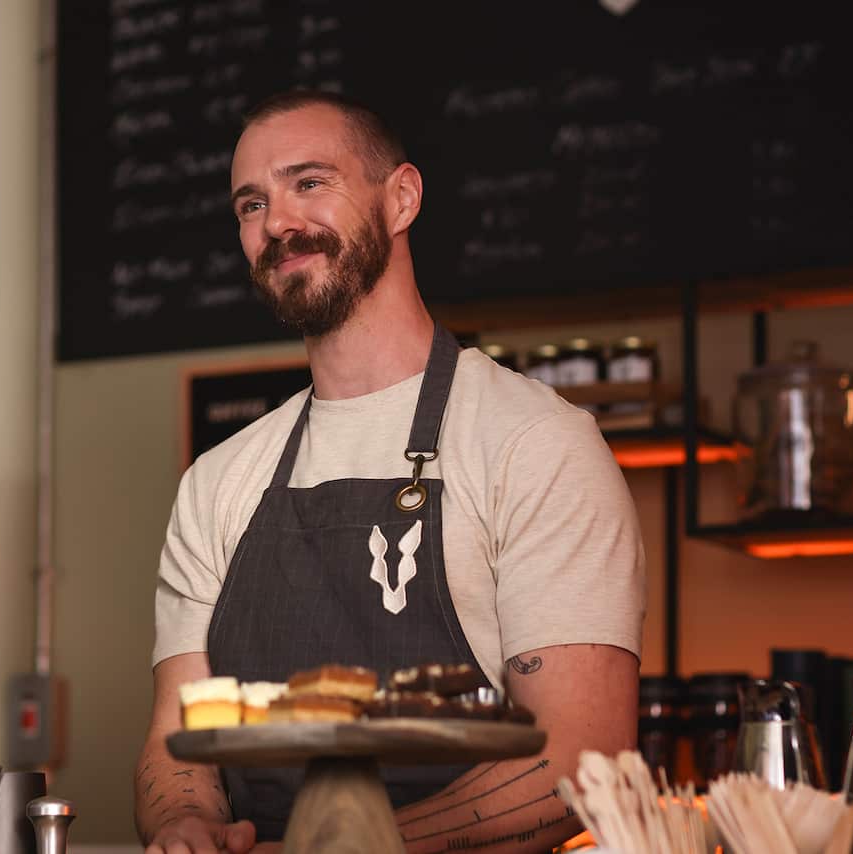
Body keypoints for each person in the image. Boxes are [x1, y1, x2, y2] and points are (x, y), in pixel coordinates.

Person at [135, 89, 646, 854]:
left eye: (309, 182)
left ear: (401, 198)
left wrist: (346, 847)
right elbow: (178, 735)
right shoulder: (218, 482)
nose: (276, 222)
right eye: (250, 204)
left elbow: (577, 760)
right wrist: (184, 822)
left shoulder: (534, 444)